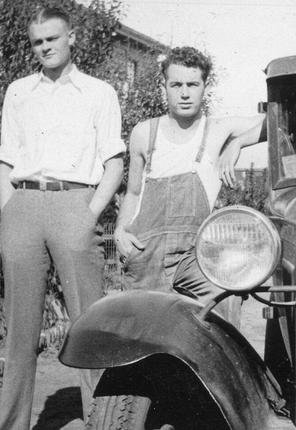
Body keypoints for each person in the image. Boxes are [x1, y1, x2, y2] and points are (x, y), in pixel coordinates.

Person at [0, 7, 125, 430]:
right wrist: (10, 209)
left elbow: (114, 162)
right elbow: (7, 159)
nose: (46, 47)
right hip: (24, 207)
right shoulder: (18, 93)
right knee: (20, 330)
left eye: (53, 38)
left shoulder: (99, 92)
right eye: (37, 42)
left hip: (75, 203)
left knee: (90, 325)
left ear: (71, 38)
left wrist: (88, 215)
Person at [113, 46, 265, 315]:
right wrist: (120, 231)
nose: (184, 93)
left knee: (225, 302)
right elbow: (133, 193)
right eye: (176, 84)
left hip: (196, 258)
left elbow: (277, 120)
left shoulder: (217, 130)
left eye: (193, 84)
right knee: (142, 337)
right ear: (165, 86)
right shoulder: (144, 133)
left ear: (205, 86)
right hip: (146, 256)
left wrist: (238, 142)